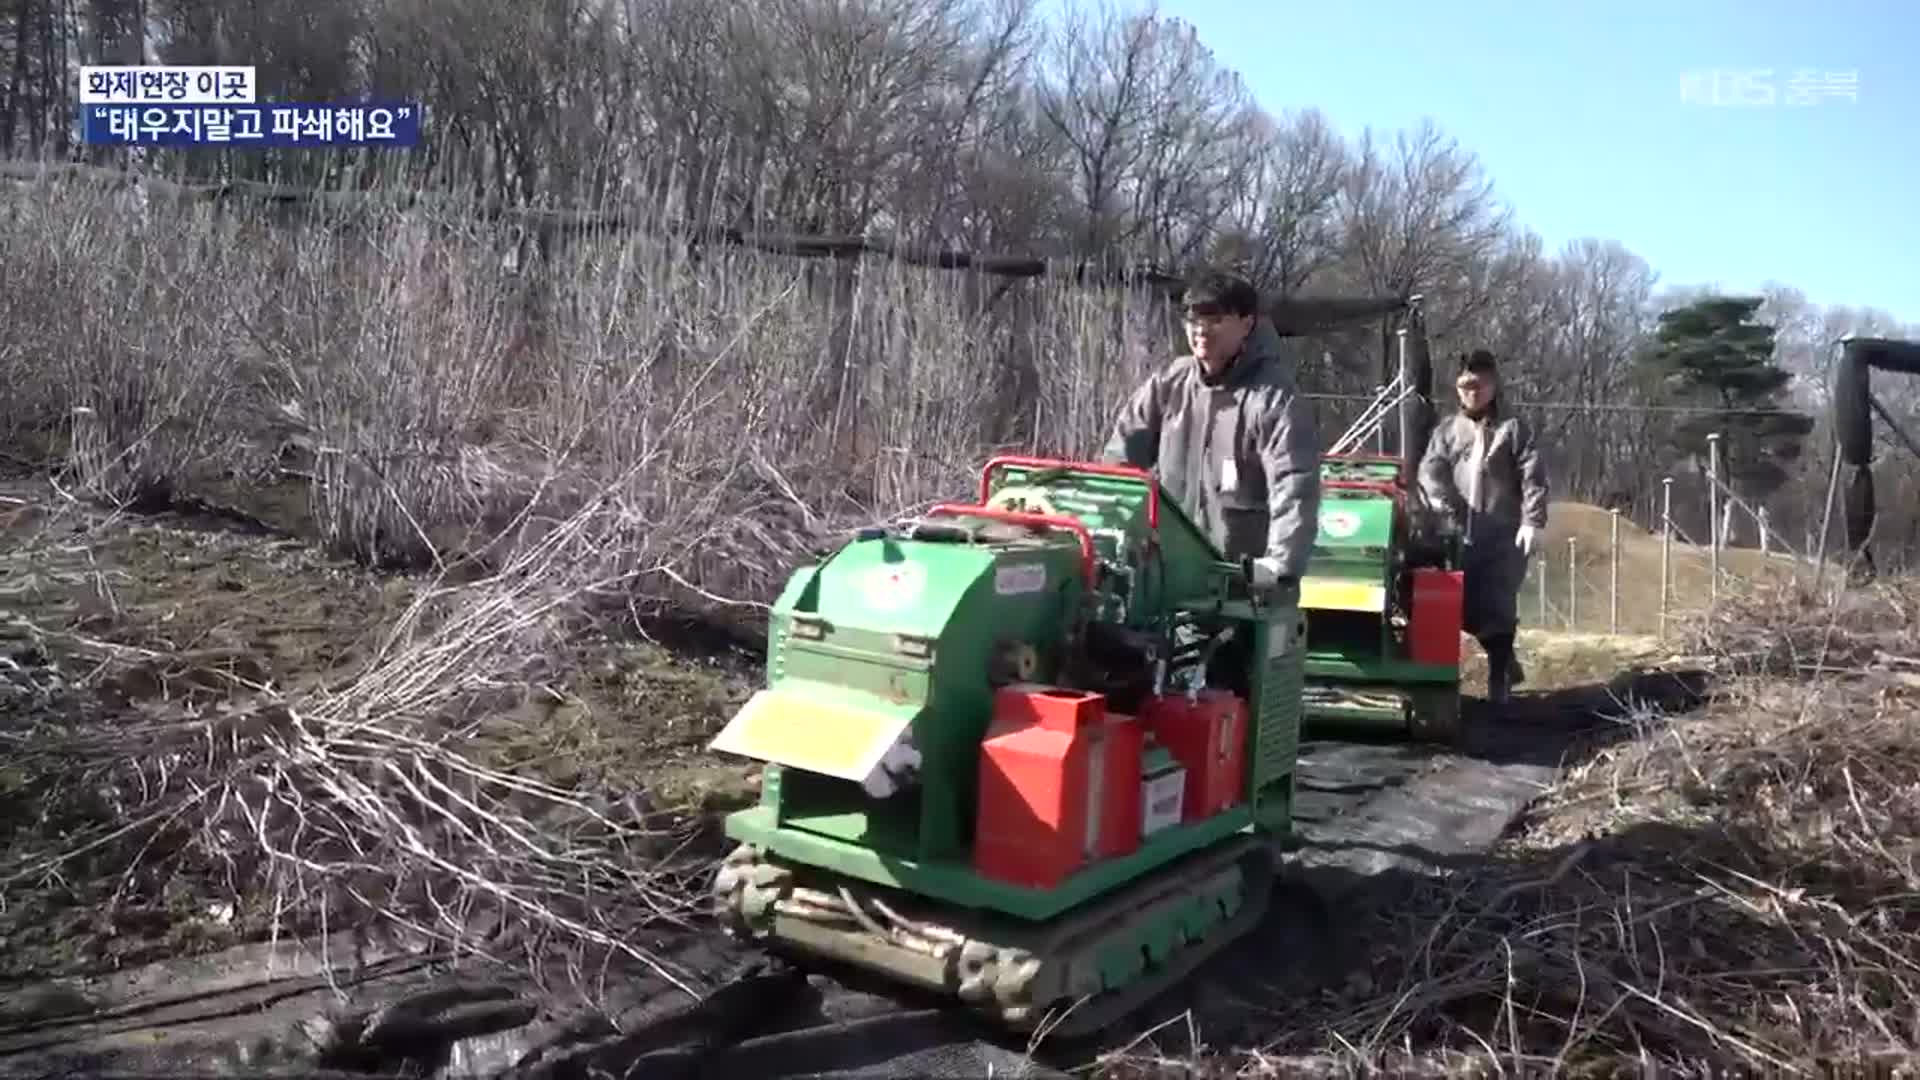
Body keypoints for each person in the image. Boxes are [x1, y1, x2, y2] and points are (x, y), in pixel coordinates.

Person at [1098, 269, 1321, 595]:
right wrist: (1108, 526)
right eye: (1193, 319)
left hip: (1244, 586)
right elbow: (1120, 459)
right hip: (1169, 577)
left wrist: (1279, 565)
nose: (1201, 330)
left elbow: (1295, 484)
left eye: (1215, 319)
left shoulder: (1273, 397)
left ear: (1246, 324)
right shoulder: (1170, 382)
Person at [1417, 349, 1549, 705]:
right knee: (1462, 606)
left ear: (1493, 385)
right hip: (1458, 534)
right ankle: (1505, 661)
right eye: (1466, 385)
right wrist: (1443, 505)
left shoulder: (1514, 428)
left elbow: (1533, 475)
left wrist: (1532, 520)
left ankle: (1498, 679)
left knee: (1498, 603)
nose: (1472, 392)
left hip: (1503, 536)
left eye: (1480, 384)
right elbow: (1431, 471)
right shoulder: (1447, 431)